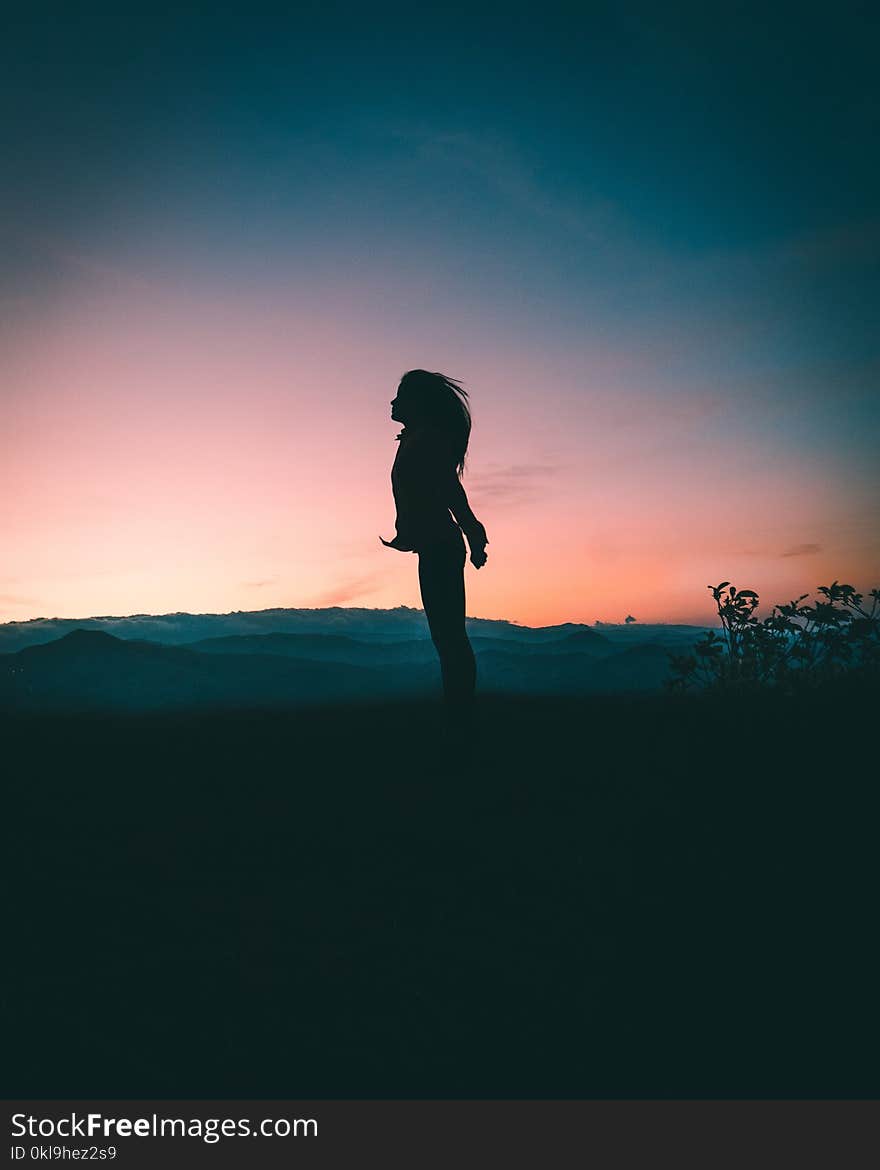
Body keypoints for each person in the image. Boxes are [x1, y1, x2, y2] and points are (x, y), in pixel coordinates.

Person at [380, 369, 488, 728]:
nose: (393, 402)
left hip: (440, 546)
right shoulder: (416, 438)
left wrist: (473, 531)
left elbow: (449, 489)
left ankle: (461, 717)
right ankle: (459, 712)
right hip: (434, 545)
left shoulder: (426, 440)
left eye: (400, 396)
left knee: (450, 637)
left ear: (418, 403)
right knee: (447, 636)